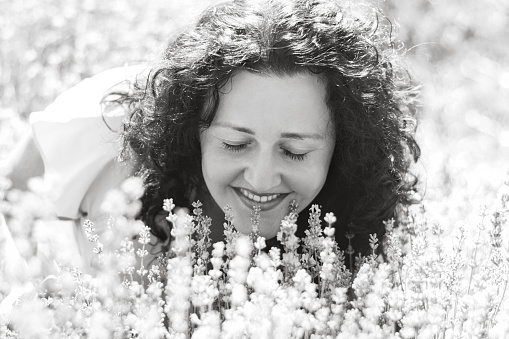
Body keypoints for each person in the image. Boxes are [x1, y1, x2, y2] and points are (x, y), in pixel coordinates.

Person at [5, 0, 420, 272]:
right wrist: (46, 293)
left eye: (293, 152)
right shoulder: (114, 122)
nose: (260, 179)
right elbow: (12, 191)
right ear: (192, 128)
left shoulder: (361, 227)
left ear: (343, 149)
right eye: (235, 144)